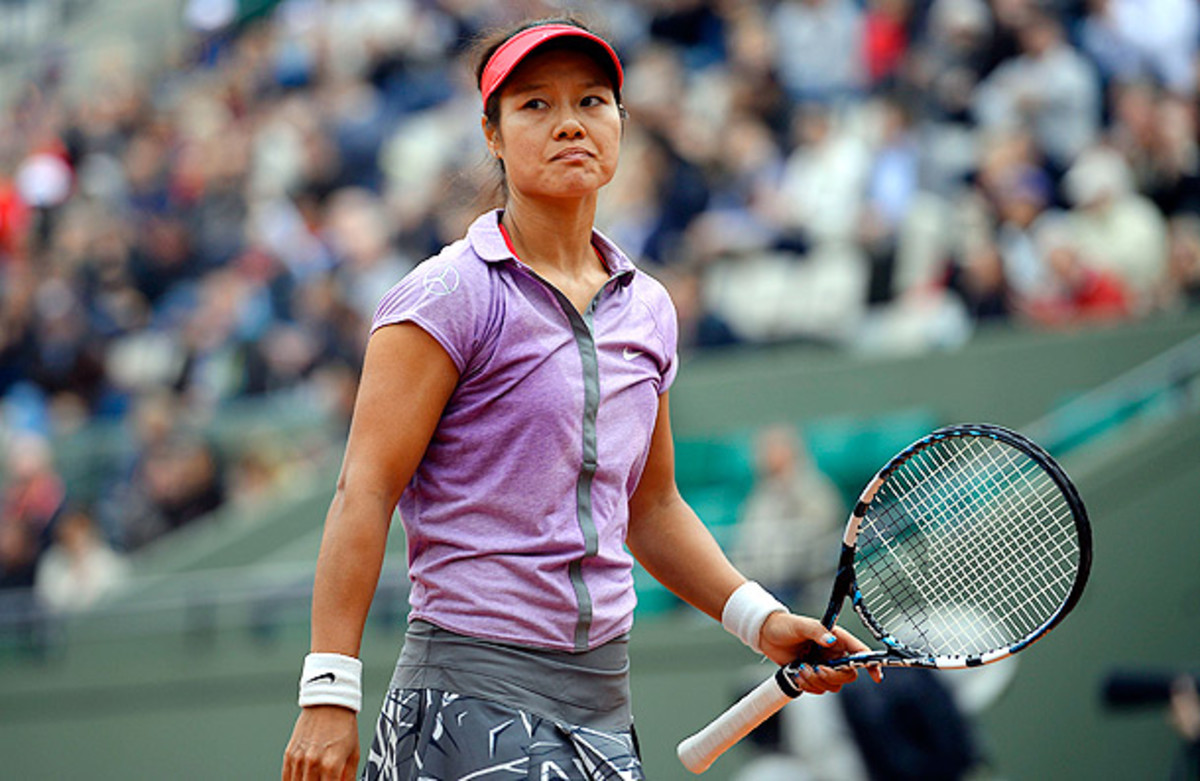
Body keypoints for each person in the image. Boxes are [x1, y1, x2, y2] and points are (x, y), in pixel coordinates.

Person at [281, 18, 880, 781]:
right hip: (469, 695)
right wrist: (328, 689)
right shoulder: (445, 295)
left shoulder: (650, 308)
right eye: (534, 105)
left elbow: (651, 507)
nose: (569, 122)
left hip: (602, 705)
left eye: (592, 101)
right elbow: (363, 490)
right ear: (492, 135)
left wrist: (759, 619)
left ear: (620, 124)